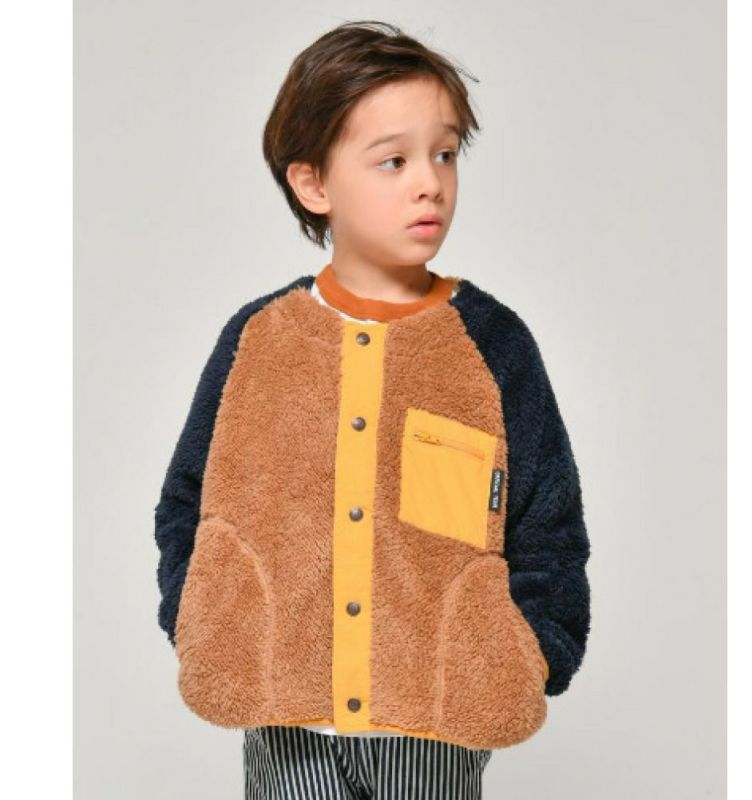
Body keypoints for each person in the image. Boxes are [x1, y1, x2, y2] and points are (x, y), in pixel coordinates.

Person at [154, 19, 592, 800]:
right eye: (393, 161)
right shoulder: (258, 340)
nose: (430, 183)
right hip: (286, 722)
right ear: (313, 184)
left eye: (445, 154)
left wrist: (533, 650)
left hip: (434, 724)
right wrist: (202, 622)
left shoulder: (492, 344)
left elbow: (547, 519)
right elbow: (189, 500)